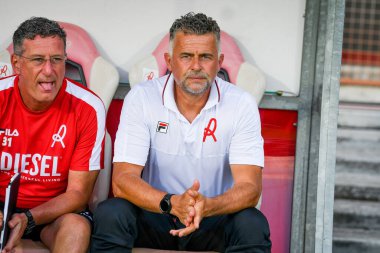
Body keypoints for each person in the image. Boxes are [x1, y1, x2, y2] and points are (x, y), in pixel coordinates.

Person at [91, 12, 271, 253]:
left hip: (212, 216)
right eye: (186, 56)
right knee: (111, 214)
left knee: (252, 223)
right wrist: (171, 202)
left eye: (205, 57)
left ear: (219, 62)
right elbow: (123, 181)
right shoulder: (142, 98)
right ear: (169, 60)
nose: (196, 66)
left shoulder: (241, 104)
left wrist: (208, 206)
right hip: (157, 211)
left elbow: (250, 188)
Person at [0, 17, 105, 253]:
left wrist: (28, 217)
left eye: (57, 60)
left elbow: (78, 193)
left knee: (77, 228)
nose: (49, 71)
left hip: (56, 211)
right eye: (38, 60)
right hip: (1, 207)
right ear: (16, 63)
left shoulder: (88, 107)